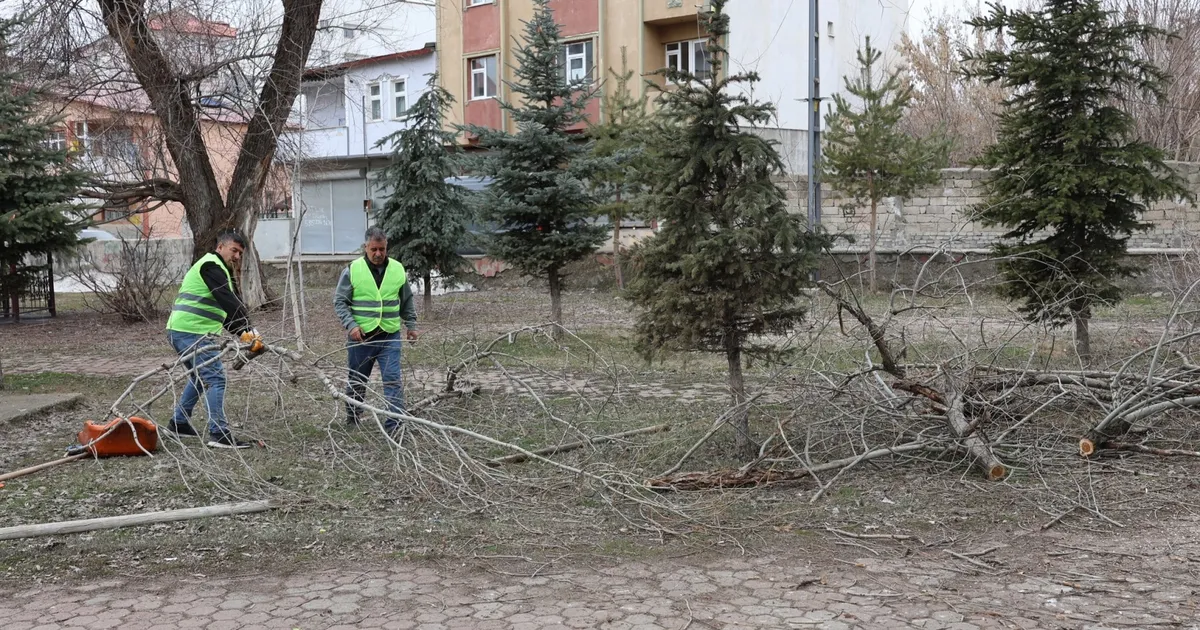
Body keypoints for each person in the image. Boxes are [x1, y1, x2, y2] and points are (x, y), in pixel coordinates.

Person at [164, 230, 261, 449]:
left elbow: (224, 313)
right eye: (234, 250)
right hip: (192, 332)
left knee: (200, 378)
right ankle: (219, 433)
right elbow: (229, 300)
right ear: (220, 247)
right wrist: (250, 330)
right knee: (216, 378)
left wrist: (245, 335)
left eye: (240, 253)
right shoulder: (211, 266)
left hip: (182, 330)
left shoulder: (217, 270)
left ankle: (179, 423)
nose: (236, 256)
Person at [334, 227, 419, 433]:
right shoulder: (353, 269)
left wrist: (411, 325)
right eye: (374, 249)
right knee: (357, 379)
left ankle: (395, 426)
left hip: (389, 336)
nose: (378, 254)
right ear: (366, 247)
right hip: (361, 338)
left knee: (392, 380)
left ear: (386, 247)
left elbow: (406, 300)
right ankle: (353, 417)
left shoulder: (398, 269)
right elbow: (340, 301)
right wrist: (351, 325)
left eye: (382, 249)